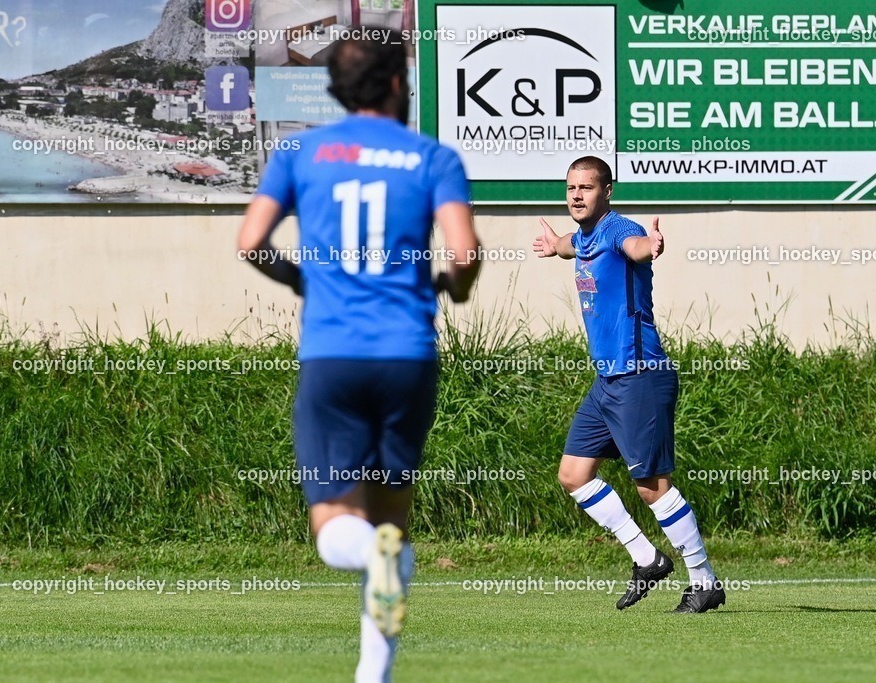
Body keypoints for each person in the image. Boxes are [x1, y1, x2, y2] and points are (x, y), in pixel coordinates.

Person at [237, 31, 481, 682]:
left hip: (334, 355)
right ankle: (372, 676)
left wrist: (302, 279)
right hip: (408, 354)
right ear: (398, 84)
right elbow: (462, 256)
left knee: (336, 529)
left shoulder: (300, 152)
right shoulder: (433, 157)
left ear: (338, 89)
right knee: (391, 528)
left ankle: (367, 574)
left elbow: (251, 239)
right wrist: (454, 289)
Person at [532, 156, 724, 613]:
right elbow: (566, 245)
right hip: (607, 382)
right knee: (573, 475)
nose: (577, 195)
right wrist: (552, 243)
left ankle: (704, 581)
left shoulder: (619, 230)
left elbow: (635, 246)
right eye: (571, 187)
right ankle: (647, 557)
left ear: (608, 191)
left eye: (588, 187)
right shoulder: (581, 238)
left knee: (651, 486)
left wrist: (651, 244)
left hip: (640, 374)